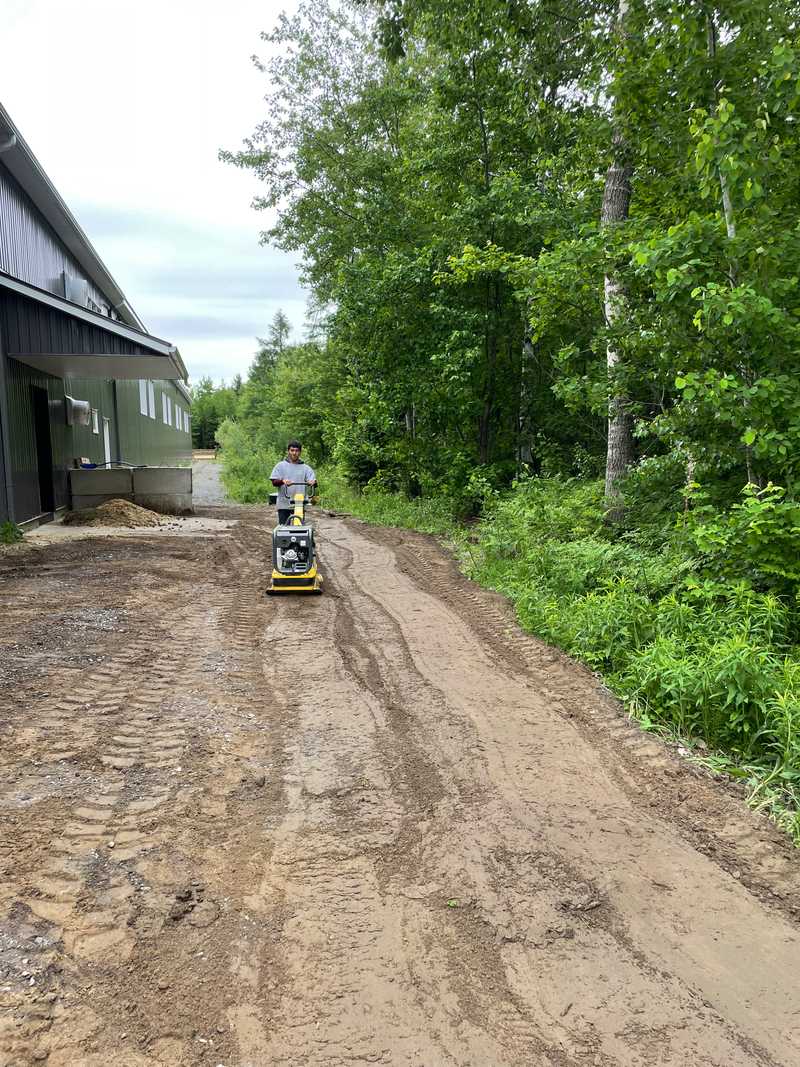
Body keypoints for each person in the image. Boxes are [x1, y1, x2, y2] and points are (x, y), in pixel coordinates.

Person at [270, 440, 317, 525]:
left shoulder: (305, 468)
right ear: (288, 451)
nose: (294, 453)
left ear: (300, 452)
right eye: (292, 450)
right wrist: (283, 481)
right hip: (284, 502)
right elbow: (274, 481)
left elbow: (314, 482)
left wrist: (312, 482)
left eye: (296, 451)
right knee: (284, 528)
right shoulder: (280, 466)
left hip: (299, 502)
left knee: (298, 528)